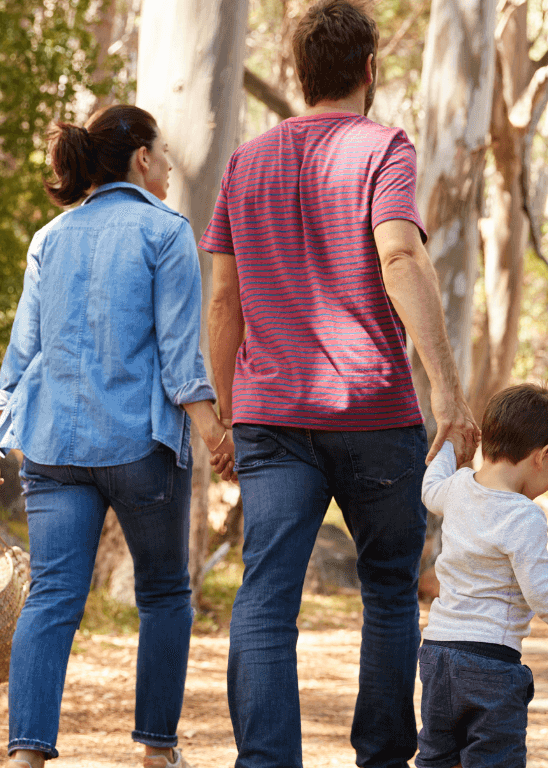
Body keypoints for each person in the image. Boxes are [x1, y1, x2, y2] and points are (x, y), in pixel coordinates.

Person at [199, 1, 481, 766]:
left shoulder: (244, 161)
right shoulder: (384, 146)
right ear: (369, 70)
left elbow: (222, 299)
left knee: (266, 598)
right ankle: (384, 758)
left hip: (271, 420)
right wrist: (450, 391)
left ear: (298, 74)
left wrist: (226, 413)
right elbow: (400, 257)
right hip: (374, 412)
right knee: (389, 592)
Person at [0, 103, 233, 768]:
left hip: (53, 447)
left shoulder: (49, 238)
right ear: (141, 158)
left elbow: (22, 353)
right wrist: (213, 430)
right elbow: (178, 353)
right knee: (166, 592)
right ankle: (155, 748)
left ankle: (26, 754)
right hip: (139, 446)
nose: (169, 164)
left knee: (53, 595)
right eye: (163, 152)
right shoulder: (166, 230)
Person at [417, 383, 548, 768]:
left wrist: (451, 444)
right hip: (491, 664)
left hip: (436, 655)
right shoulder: (523, 516)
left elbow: (429, 489)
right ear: (543, 455)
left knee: (437, 758)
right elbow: (542, 592)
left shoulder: (457, 489)